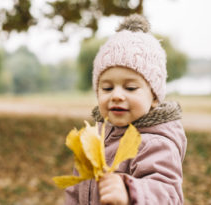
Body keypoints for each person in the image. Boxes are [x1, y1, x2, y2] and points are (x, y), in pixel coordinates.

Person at [64, 14, 187, 205]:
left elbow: (169, 194)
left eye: (130, 88)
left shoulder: (154, 143)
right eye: (107, 88)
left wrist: (130, 192)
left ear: (154, 96)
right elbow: (76, 190)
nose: (117, 95)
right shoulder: (94, 139)